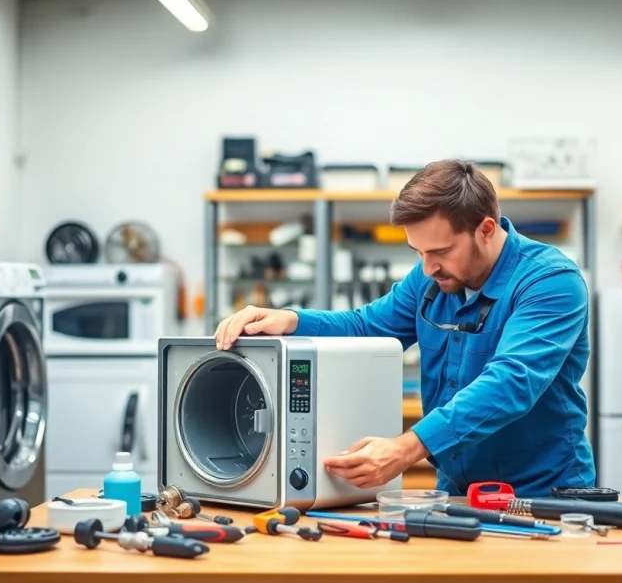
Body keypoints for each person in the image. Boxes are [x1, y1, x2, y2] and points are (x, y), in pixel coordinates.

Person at [214, 159, 596, 498]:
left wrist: (406, 447)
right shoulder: (431, 278)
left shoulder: (550, 281)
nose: (428, 267)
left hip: (544, 495)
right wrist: (292, 320)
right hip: (459, 493)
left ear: (486, 228)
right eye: (419, 253)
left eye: (441, 252)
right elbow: (368, 327)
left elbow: (512, 381)